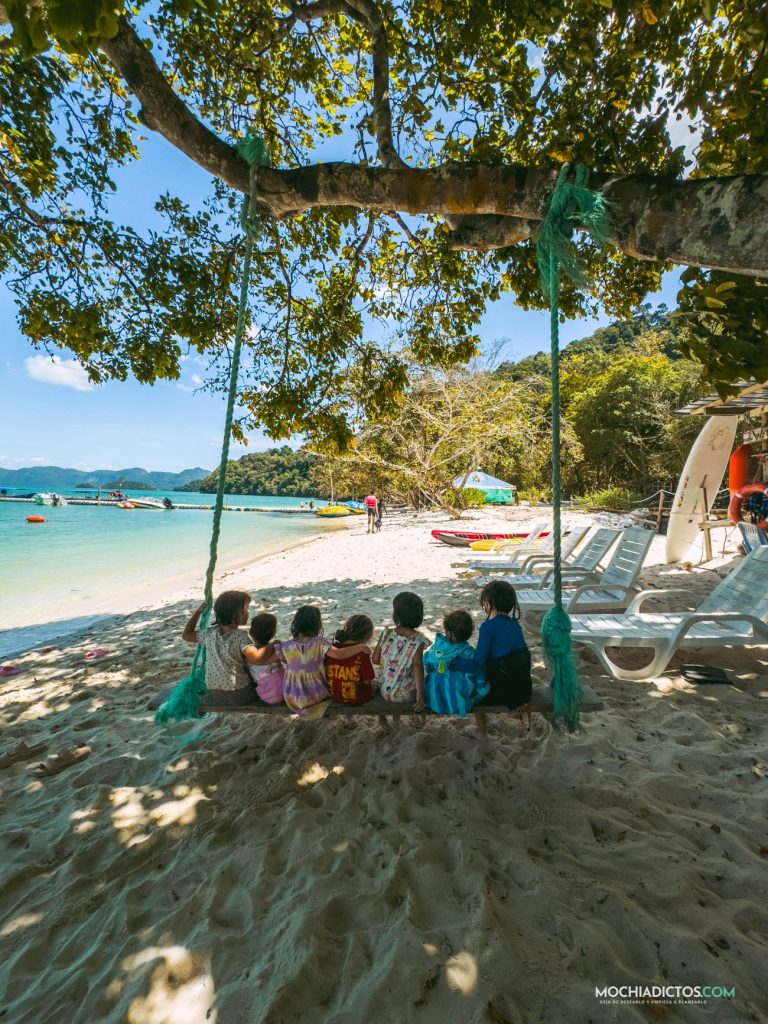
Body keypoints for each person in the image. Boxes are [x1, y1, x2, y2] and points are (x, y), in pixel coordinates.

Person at [449, 579, 532, 724]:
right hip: (524, 690)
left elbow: (477, 665)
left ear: (489, 603)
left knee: (469, 689)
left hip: (505, 693)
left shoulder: (488, 627)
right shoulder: (515, 625)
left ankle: (482, 729)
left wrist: (452, 663)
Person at [181, 590, 259, 705]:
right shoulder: (241, 636)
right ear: (234, 615)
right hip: (241, 695)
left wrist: (198, 612)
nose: (248, 613)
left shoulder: (209, 634)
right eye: (246, 609)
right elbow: (256, 658)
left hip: (217, 695)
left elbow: (186, 634)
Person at [423, 610, 488, 716]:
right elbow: (481, 678)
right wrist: (480, 694)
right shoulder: (472, 654)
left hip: (435, 701)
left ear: (448, 632)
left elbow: (426, 662)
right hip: (461, 703)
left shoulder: (438, 650)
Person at [372, 591, 429, 710]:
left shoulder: (386, 633)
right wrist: (420, 696)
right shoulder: (419, 639)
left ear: (396, 615)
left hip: (384, 691)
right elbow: (418, 666)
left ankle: (383, 719)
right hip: (405, 695)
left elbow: (376, 660)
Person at [274, 605, 331, 717]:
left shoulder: (285, 647)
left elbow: (279, 660)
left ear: (296, 623)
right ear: (317, 624)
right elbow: (337, 655)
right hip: (317, 696)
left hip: (292, 698)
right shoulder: (321, 643)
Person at [325, 614, 377, 705]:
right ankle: (382, 717)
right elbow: (367, 681)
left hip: (335, 695)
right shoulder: (362, 652)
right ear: (368, 635)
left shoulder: (332, 648)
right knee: (376, 685)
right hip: (357, 698)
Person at [247, 612, 285, 704]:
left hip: (269, 696)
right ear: (274, 633)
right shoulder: (277, 647)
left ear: (250, 633)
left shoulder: (248, 653)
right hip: (288, 691)